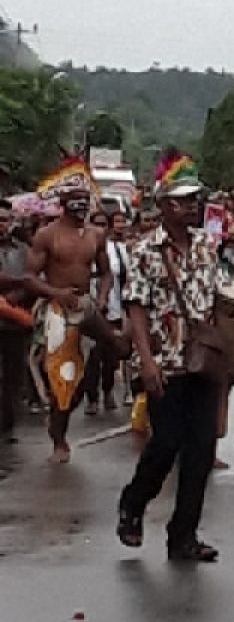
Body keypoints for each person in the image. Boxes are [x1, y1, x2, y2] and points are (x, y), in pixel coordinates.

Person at [117, 151, 226, 562]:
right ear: (163, 205)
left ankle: (183, 536)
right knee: (165, 443)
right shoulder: (145, 250)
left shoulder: (208, 246)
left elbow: (220, 299)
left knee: (199, 452)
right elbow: (137, 307)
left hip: (203, 360)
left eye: (195, 199)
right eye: (183, 200)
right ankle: (133, 503)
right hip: (164, 360)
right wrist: (145, 361)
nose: (192, 205)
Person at [26, 155, 129, 463]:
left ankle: (127, 380)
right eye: (76, 201)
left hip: (86, 305)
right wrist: (56, 292)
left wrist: (102, 297)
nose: (83, 206)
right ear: (63, 202)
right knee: (64, 379)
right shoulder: (47, 235)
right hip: (58, 309)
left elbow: (107, 272)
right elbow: (30, 277)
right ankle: (59, 439)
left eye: (86, 201)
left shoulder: (96, 235)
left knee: (115, 349)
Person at [84, 209, 131, 414]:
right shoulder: (85, 246)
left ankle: (108, 389)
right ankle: (91, 397)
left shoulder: (120, 248)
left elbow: (122, 277)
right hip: (91, 306)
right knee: (93, 354)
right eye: (97, 224)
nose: (101, 228)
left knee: (112, 352)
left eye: (105, 224)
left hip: (115, 306)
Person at [0, 198, 33, 442]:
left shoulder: (23, 250)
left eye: (5, 220)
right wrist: (19, 282)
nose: (2, 224)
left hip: (15, 322)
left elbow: (33, 279)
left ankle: (7, 424)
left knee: (13, 376)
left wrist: (16, 294)